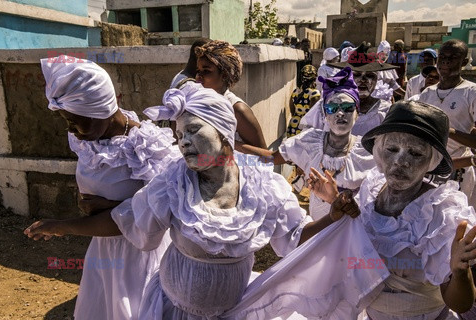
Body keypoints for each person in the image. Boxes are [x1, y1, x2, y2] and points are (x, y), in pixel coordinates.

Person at [25, 82, 386, 319]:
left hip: (233, 310)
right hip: (170, 310)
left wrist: (331, 217)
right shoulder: (174, 184)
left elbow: (295, 240)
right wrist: (60, 227)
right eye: (179, 134)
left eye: (193, 131)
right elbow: (125, 221)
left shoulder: (265, 188)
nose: (182, 142)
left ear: (225, 136)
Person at [30, 57, 180, 319]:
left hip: (138, 255)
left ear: (101, 110)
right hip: (103, 249)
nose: (72, 131)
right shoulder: (88, 139)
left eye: (76, 121)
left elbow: (157, 214)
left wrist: (64, 225)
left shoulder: (145, 148)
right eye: (66, 121)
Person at [313, 100, 476, 319]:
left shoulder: (442, 214)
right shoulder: (370, 192)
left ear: (432, 161)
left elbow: (461, 303)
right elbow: (355, 239)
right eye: (391, 149)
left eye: (415, 153)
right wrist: (335, 202)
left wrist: (459, 273)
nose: (400, 161)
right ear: (379, 153)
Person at [238, 67, 376, 221]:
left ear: (357, 113)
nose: (340, 113)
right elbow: (271, 158)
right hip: (318, 231)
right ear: (324, 115)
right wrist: (230, 149)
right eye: (332, 108)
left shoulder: (367, 153)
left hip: (353, 233)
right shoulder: (309, 142)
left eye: (347, 108)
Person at [418, 39, 476, 207]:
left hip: (458, 171)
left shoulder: (470, 92)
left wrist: (446, 130)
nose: (447, 61)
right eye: (443, 56)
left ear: (464, 62)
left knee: (455, 221)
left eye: (454, 57)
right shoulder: (427, 93)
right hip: (427, 168)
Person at [301, 43, 396, 137]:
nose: (363, 80)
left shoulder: (385, 110)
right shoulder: (326, 106)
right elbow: (307, 136)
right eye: (357, 75)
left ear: (376, 80)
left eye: (370, 76)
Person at [194, 40, 267, 150]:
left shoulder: (237, 109)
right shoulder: (195, 103)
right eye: (198, 70)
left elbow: (264, 155)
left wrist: (222, 141)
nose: (199, 76)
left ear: (224, 75)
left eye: (206, 71)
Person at [287, 64, 320, 137]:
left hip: (293, 124)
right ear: (315, 78)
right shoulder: (314, 94)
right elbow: (313, 114)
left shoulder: (296, 91)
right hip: (305, 126)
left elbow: (292, 110)